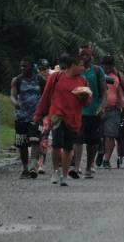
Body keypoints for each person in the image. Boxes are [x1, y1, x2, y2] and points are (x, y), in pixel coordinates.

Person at [32, 54, 91, 187]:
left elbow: (87, 103)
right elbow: (46, 97)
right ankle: (56, 171)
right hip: (57, 116)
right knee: (57, 145)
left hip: (74, 118)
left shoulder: (83, 81)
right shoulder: (56, 77)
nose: (83, 68)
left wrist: (84, 97)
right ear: (72, 65)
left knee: (68, 147)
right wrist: (38, 114)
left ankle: (64, 175)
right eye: (81, 65)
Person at [73, 46, 106, 179]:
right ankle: (76, 166)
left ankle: (89, 165)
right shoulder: (75, 70)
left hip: (93, 110)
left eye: (86, 55)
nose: (84, 58)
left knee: (92, 141)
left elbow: (104, 91)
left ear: (91, 57)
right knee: (78, 139)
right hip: (78, 110)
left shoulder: (97, 70)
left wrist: (101, 107)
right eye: (82, 55)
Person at [11, 57, 45, 179]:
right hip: (21, 117)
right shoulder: (17, 80)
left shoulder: (40, 79)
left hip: (36, 115)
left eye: (25, 66)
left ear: (31, 66)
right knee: (23, 144)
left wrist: (44, 110)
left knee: (35, 140)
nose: (22, 68)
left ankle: (33, 166)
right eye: (21, 66)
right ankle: (25, 168)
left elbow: (46, 94)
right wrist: (15, 103)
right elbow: (13, 95)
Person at [100, 55, 124, 169]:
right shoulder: (98, 74)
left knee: (110, 135)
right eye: (105, 66)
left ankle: (106, 159)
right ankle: (100, 152)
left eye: (109, 66)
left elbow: (122, 94)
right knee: (97, 136)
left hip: (113, 110)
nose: (107, 68)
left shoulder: (118, 76)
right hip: (98, 110)